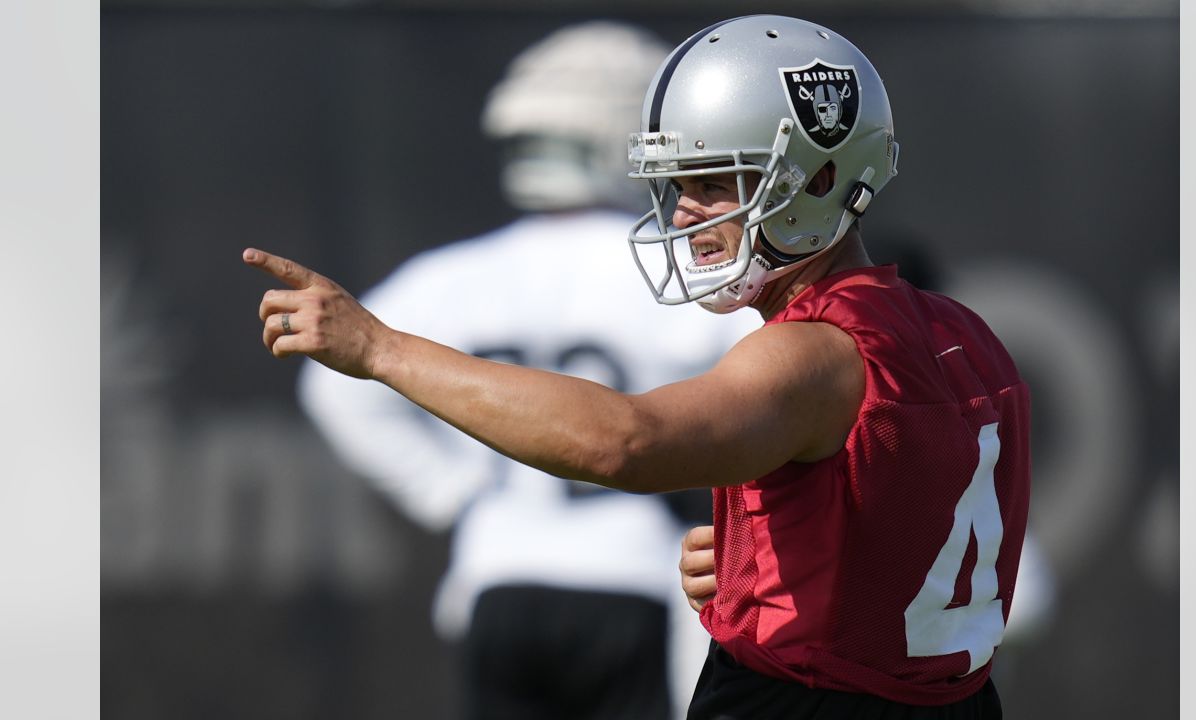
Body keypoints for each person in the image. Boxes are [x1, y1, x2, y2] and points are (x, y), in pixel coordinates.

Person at [245, 15, 1029, 719]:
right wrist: (760, 558)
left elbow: (622, 442)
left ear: (819, 179)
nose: (686, 214)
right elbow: (900, 538)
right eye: (674, 186)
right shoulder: (965, 335)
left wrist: (381, 348)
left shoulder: (813, 352)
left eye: (712, 180)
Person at [294, 21, 757, 720]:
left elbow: (332, 385)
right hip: (634, 576)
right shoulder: (686, 273)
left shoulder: (450, 276)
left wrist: (458, 490)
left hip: (498, 574)